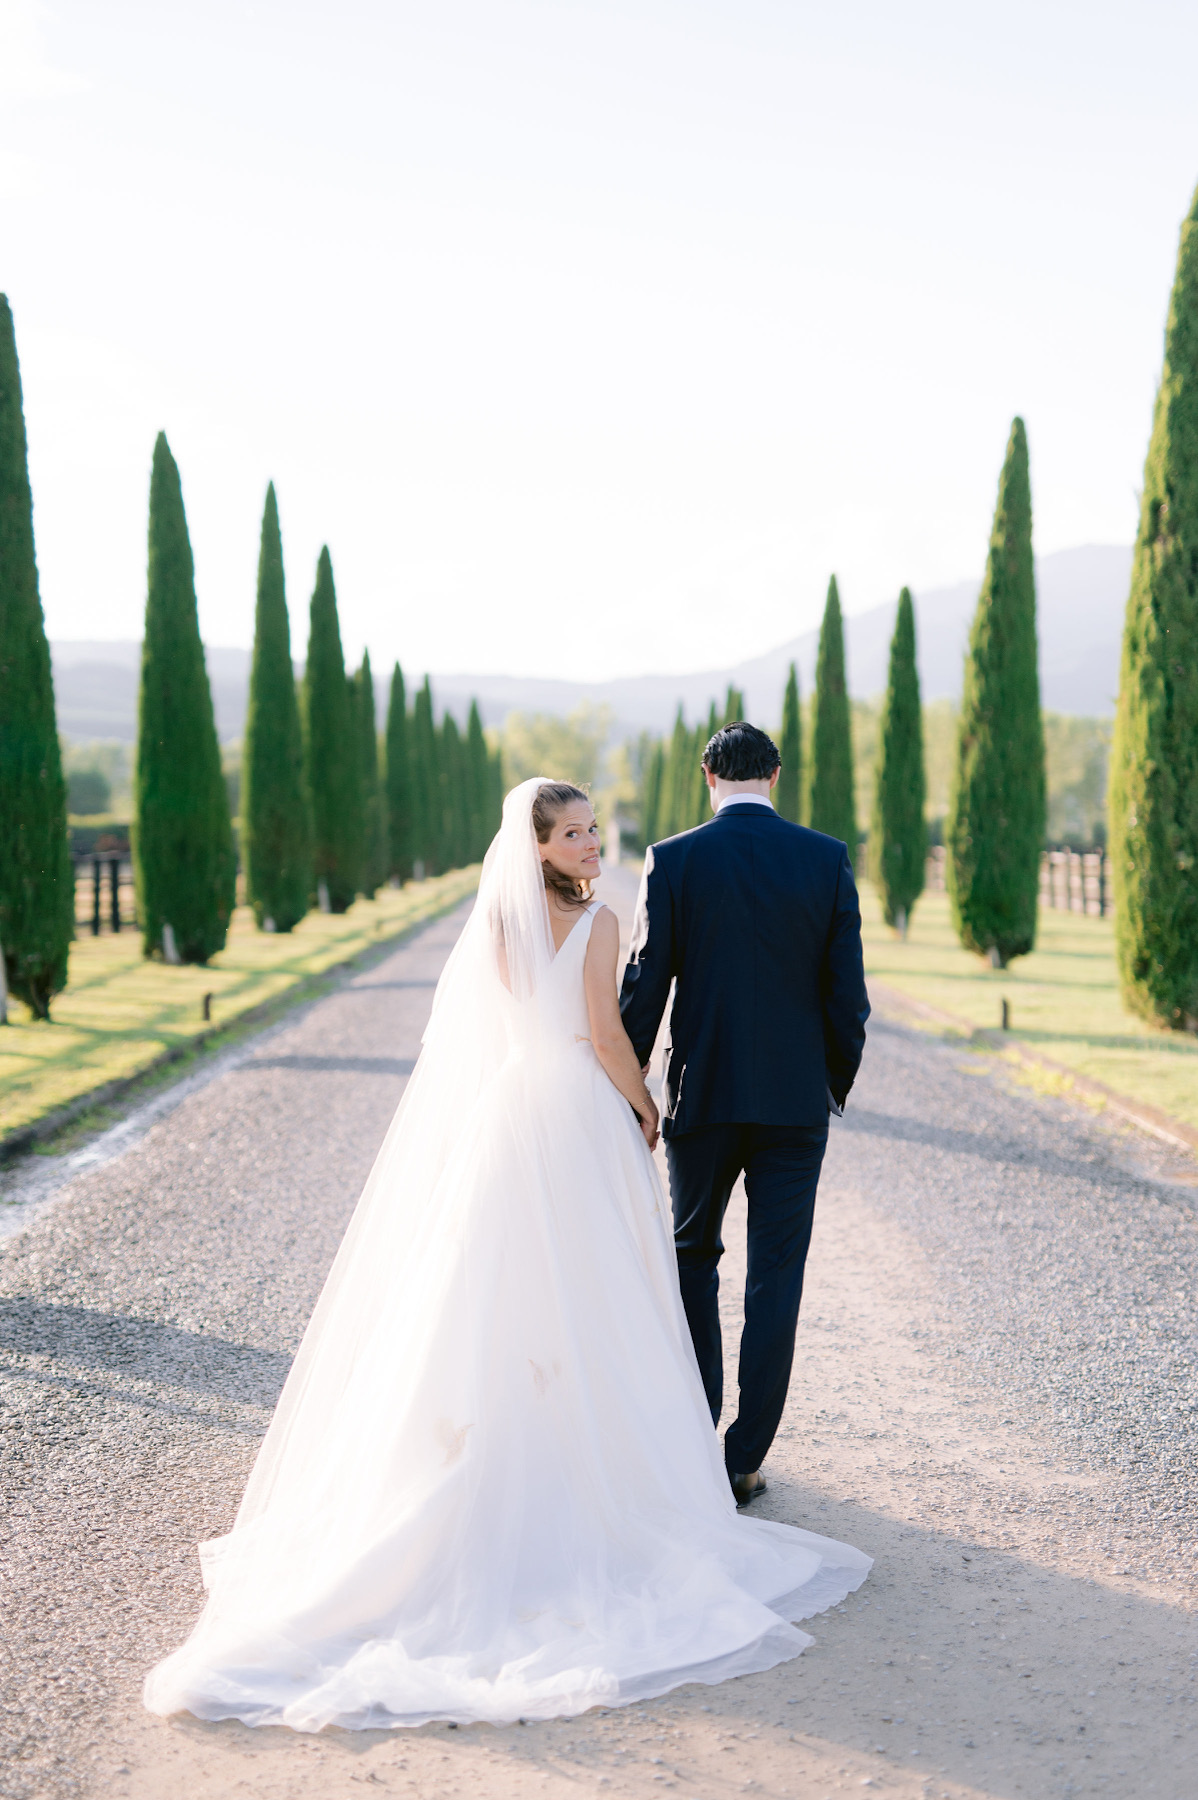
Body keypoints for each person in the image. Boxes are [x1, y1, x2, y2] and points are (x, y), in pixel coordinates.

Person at [144, 777, 869, 1733]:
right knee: (596, 1288)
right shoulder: (601, 923)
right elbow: (608, 1033)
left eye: (594, 831)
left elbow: (486, 1029)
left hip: (509, 1114)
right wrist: (644, 1103)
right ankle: (626, 1463)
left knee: (491, 1287)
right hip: (576, 1113)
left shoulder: (498, 923)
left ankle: (495, 1446)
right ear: (537, 846)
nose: (593, 846)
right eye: (574, 834)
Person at [619, 723, 870, 1505]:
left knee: (693, 1255)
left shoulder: (674, 858)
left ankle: (699, 1433)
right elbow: (848, 999)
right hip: (794, 1108)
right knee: (777, 1276)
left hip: (704, 1097)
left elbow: (644, 986)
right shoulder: (826, 859)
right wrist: (828, 1083)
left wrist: (634, 1090)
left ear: (707, 776)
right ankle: (742, 1459)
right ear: (776, 775)